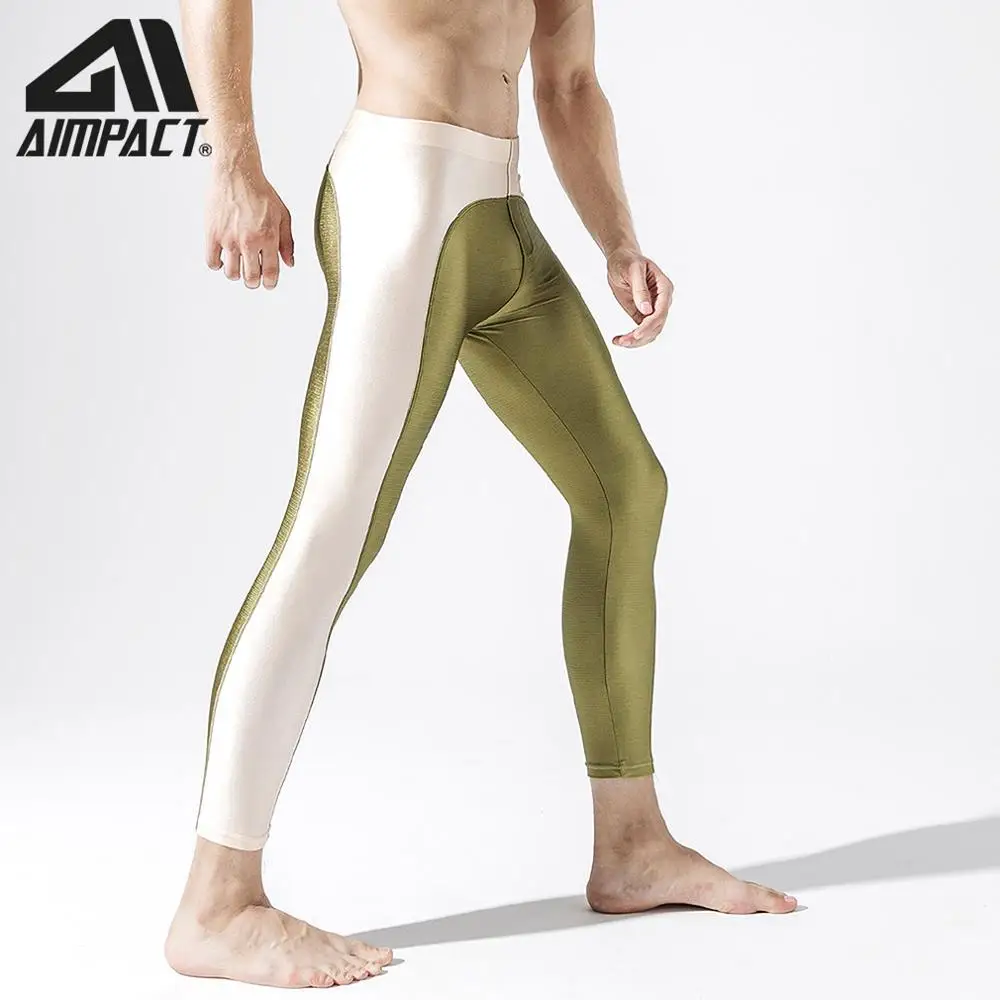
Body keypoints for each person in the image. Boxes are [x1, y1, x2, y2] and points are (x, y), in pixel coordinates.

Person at [164, 0, 797, 988]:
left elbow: (568, 80)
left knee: (625, 491)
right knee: (331, 531)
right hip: (402, 199)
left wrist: (618, 241)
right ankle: (217, 903)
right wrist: (233, 163)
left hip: (501, 217)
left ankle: (632, 847)